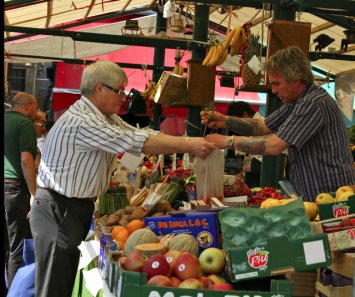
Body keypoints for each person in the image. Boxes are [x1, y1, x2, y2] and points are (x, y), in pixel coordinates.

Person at [29, 59, 216, 297]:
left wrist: (180, 144)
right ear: (99, 88)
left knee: (60, 283)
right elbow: (135, 142)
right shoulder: (83, 121)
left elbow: (138, 135)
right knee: (53, 288)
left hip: (69, 208)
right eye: (119, 90)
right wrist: (189, 145)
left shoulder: (103, 116)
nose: (123, 96)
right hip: (60, 208)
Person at [201, 46, 355, 201]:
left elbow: (273, 146)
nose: (273, 90)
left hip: (332, 196)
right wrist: (226, 121)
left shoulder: (312, 104)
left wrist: (227, 141)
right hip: (315, 192)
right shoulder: (296, 102)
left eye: (277, 84)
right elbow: (262, 126)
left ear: (296, 79)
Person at [4, 92, 38, 287]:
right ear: (27, 106)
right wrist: (34, 194)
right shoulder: (24, 124)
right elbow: (26, 161)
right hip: (14, 189)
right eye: (35, 107)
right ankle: (14, 291)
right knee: (17, 247)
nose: (37, 111)